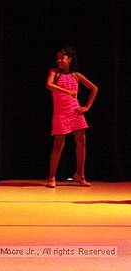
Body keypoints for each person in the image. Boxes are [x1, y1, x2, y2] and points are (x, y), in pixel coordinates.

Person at [45, 46, 98, 188]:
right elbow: (49, 85)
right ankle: (51, 177)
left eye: (62, 57)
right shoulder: (54, 72)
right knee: (58, 144)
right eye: (57, 58)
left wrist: (87, 107)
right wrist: (67, 91)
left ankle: (80, 175)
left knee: (81, 142)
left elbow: (94, 88)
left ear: (70, 59)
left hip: (75, 112)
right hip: (60, 113)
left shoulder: (76, 75)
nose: (59, 60)